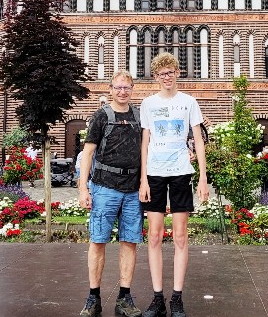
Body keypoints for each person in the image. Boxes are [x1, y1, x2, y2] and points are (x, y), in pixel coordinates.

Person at [140, 53, 208, 317]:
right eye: (161, 74)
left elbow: (199, 140)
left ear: (178, 72)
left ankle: (176, 297)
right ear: (155, 77)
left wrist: (202, 177)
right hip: (155, 174)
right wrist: (143, 179)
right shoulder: (148, 104)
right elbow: (144, 142)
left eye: (170, 72)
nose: (166, 77)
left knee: (180, 236)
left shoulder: (189, 102)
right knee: (154, 236)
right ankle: (158, 297)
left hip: (181, 172)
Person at [77, 70, 143, 317]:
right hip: (104, 188)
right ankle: (93, 298)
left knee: (129, 242)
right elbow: (88, 153)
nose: (122, 91)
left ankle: (124, 297)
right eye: (118, 87)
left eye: (127, 87)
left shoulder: (139, 116)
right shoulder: (101, 116)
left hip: (132, 189)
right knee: (98, 241)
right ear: (111, 89)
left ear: (132, 89)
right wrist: (83, 188)